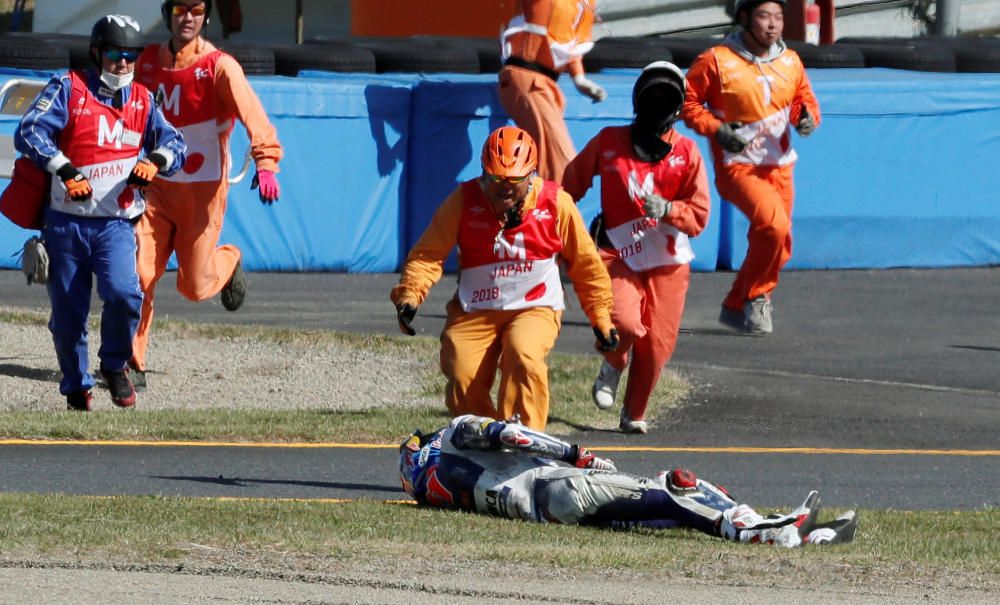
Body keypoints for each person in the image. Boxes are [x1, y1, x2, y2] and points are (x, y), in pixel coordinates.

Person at [390, 126, 616, 431]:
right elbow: (429, 253)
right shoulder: (463, 200)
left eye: (515, 181)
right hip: (477, 311)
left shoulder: (555, 203)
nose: (504, 189)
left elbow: (586, 263)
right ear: (484, 173)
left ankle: (525, 436)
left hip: (535, 307)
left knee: (523, 354)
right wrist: (410, 295)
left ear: (531, 175)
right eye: (496, 180)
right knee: (461, 370)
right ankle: (483, 437)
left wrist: (600, 317)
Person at [14, 15, 186, 411]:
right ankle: (77, 387)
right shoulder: (68, 88)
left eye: (130, 56)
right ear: (98, 54)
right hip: (66, 224)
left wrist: (156, 160)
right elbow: (30, 130)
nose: (122, 64)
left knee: (126, 294)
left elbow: (177, 144)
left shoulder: (144, 100)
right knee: (69, 316)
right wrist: (65, 169)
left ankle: (114, 365)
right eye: (114, 55)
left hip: (115, 224)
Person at [399, 414, 859, 546]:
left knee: (665, 509)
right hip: (560, 487)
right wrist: (578, 454)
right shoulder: (455, 436)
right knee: (675, 487)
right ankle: (751, 531)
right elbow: (514, 435)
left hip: (550, 512)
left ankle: (795, 533)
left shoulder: (437, 489)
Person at [130, 0, 283, 388]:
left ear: (206, 15)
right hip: (154, 191)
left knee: (194, 286)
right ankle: (129, 360)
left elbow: (254, 116)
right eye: (180, 8)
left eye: (196, 9)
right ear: (168, 13)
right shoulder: (146, 62)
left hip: (201, 195)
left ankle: (228, 262)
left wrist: (266, 162)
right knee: (138, 275)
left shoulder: (220, 67)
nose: (188, 17)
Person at [563, 62, 711, 434]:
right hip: (616, 253)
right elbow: (569, 187)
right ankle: (613, 363)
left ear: (677, 108)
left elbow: (699, 215)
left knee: (658, 344)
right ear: (637, 101)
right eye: (651, 96)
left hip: (667, 262)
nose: (658, 105)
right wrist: (564, 230)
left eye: (667, 98)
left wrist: (670, 209)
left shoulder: (688, 153)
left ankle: (634, 413)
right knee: (625, 321)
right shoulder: (608, 141)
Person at [682, 0, 820, 335]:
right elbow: (687, 102)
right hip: (738, 166)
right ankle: (758, 297)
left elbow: (805, 101)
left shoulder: (791, 61)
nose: (772, 25)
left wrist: (807, 119)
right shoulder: (716, 60)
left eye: (778, 17)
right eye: (763, 16)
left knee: (779, 241)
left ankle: (734, 303)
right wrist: (717, 130)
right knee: (772, 227)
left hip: (780, 166)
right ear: (745, 18)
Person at [498, 0, 607, 182]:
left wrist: (579, 78)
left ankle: (545, 204)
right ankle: (556, 207)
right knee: (561, 168)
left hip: (546, 84)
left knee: (558, 166)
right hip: (526, 77)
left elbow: (569, 40)